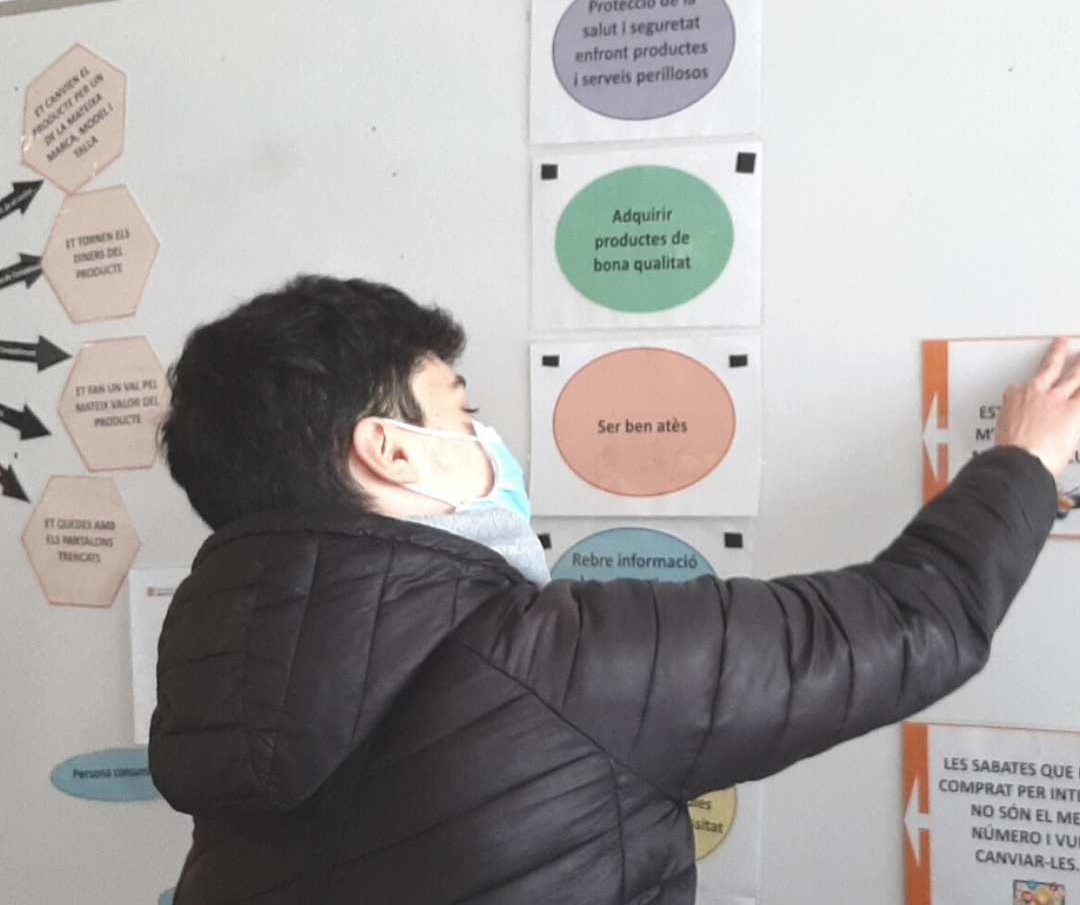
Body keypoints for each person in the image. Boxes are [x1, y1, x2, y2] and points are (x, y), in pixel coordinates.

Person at [149, 274, 1080, 905]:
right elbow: (916, 620)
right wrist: (1027, 459)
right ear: (389, 449)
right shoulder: (555, 664)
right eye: (464, 413)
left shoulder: (221, 679)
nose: (490, 441)